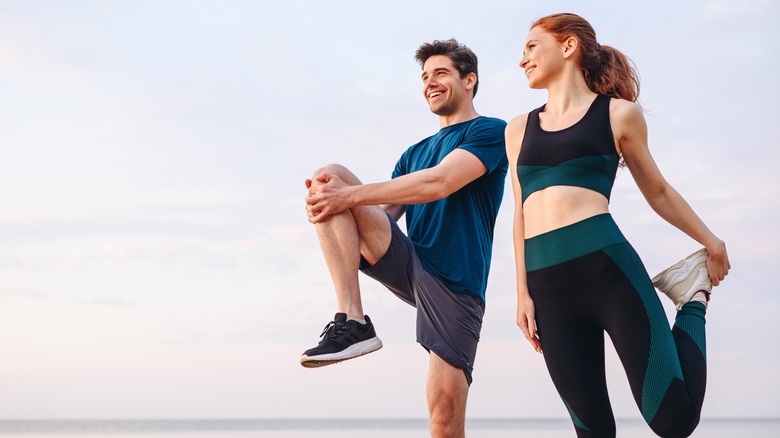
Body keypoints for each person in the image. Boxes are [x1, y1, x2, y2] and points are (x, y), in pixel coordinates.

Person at [505, 13, 730, 438]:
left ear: (568, 46)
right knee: (592, 432)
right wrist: (522, 293)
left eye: (531, 46)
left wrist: (710, 242)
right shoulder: (518, 129)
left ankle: (692, 299)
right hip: (546, 287)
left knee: (674, 421)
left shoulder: (618, 115)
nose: (523, 60)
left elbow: (658, 191)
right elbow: (519, 212)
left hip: (607, 271)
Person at [301, 38, 508, 438]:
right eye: (425, 76)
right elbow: (382, 217)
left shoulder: (490, 131)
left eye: (441, 73)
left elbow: (442, 182)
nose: (430, 82)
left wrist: (348, 196)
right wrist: (331, 204)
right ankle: (353, 319)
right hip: (409, 262)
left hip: (455, 281)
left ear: (470, 80)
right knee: (330, 175)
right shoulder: (413, 152)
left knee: (444, 420)